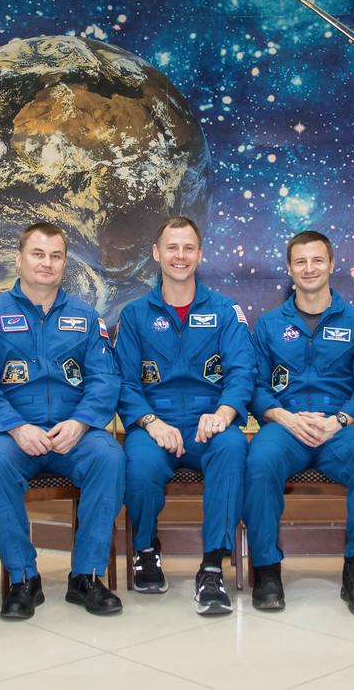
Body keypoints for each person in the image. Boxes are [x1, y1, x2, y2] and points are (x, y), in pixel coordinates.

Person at [0, 222, 125, 618]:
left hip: (74, 433)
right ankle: (23, 578)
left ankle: (85, 576)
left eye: (55, 256)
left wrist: (82, 422)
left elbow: (106, 377)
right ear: (19, 259)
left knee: (111, 458)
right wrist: (16, 426)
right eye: (38, 254)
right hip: (13, 432)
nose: (46, 263)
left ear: (65, 263)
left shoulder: (86, 318)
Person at [244, 230, 354, 614]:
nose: (309, 268)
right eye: (300, 261)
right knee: (258, 462)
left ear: (331, 264)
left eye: (316, 260)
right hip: (284, 427)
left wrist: (340, 420)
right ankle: (267, 572)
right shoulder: (268, 325)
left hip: (339, 429)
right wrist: (282, 416)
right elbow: (255, 385)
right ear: (289, 269)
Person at [113, 215, 253, 615]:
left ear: (200, 254)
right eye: (171, 247)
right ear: (157, 254)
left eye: (188, 247)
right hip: (155, 422)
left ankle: (212, 565)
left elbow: (243, 371)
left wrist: (225, 411)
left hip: (209, 422)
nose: (180, 256)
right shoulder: (136, 315)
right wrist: (150, 422)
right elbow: (123, 381)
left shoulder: (226, 311)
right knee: (137, 465)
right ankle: (145, 549)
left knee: (231, 449)